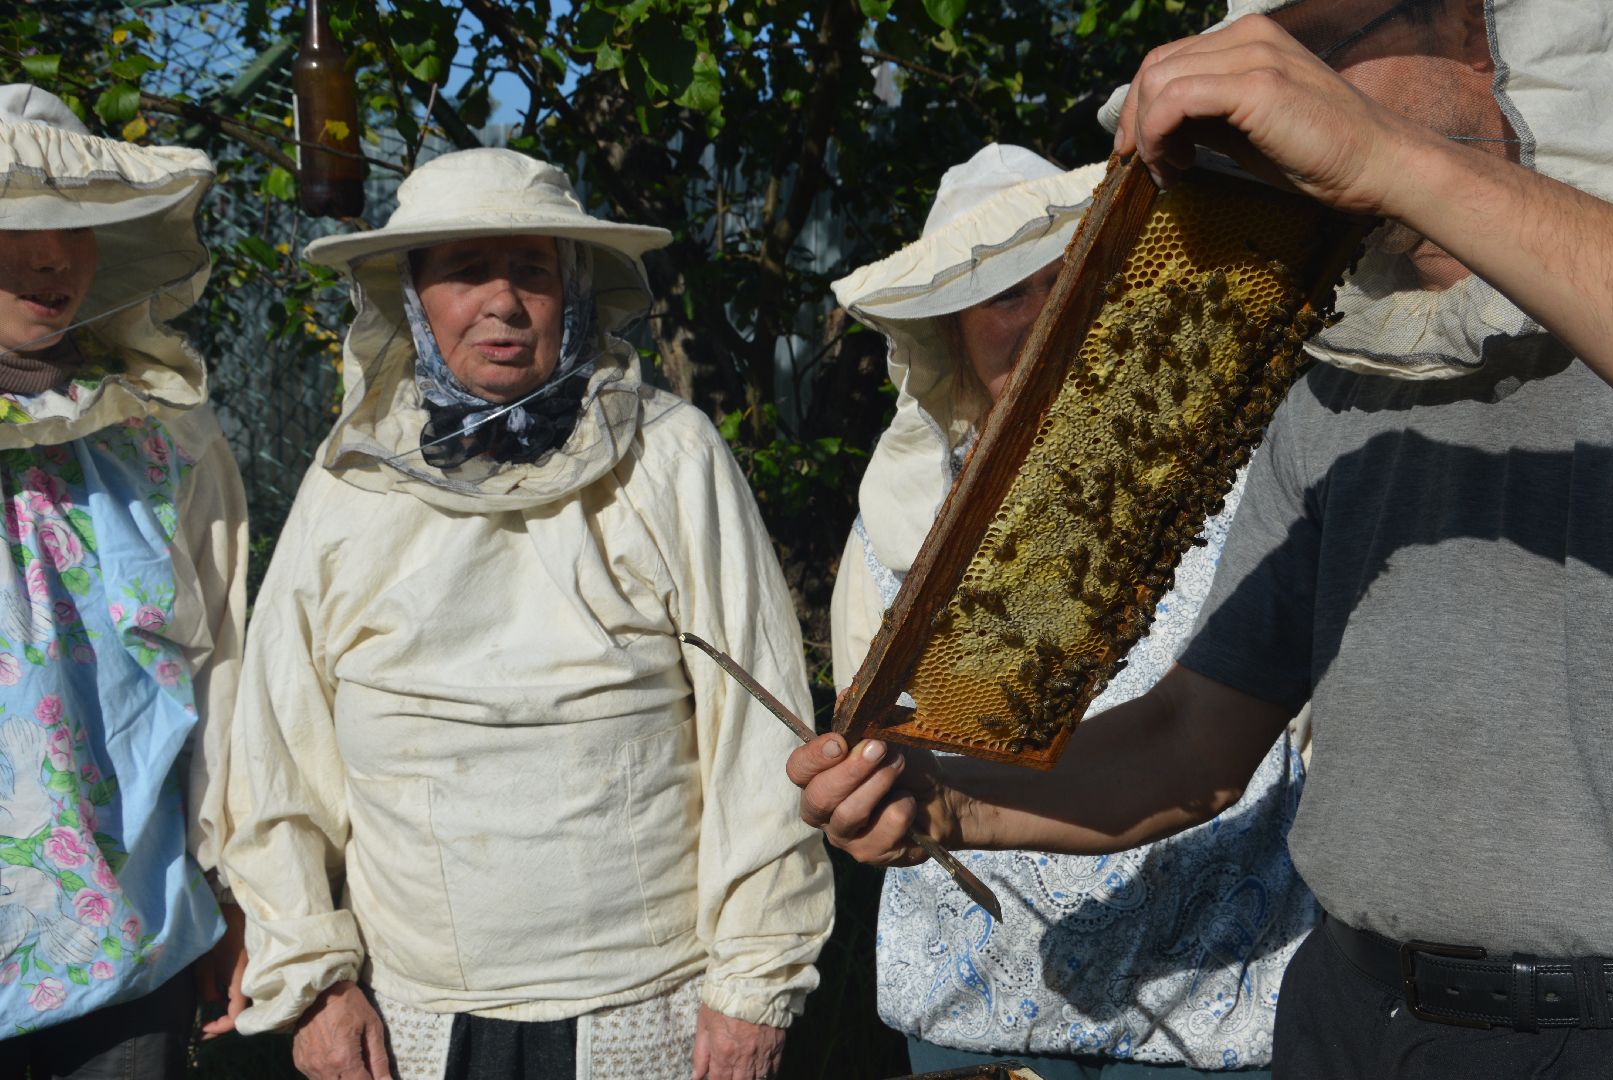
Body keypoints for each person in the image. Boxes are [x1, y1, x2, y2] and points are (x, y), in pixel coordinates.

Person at [789, 3, 1613, 1077]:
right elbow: (1192, 742)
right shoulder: (1334, 387)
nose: (1295, 86)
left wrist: (1379, 154)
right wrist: (943, 797)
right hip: (1353, 1019)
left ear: (1479, 39)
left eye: (1329, 42)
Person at [223, 147, 833, 1080]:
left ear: (574, 291)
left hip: (648, 1005)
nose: (503, 302)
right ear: (413, 297)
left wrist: (755, 981)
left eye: (532, 272)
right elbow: (277, 750)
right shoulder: (348, 482)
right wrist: (312, 979)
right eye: (467, 270)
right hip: (412, 1013)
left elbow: (760, 731)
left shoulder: (670, 458)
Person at [828, 143, 1315, 1076]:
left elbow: (1295, 734)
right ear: (952, 329)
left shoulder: (1236, 474)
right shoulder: (892, 520)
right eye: (1006, 295)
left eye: (1064, 279)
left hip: (1212, 1011)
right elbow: (873, 753)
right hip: (973, 1020)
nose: (1043, 315)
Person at [0, 85, 249, 1075]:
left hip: (130, 950)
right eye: (18, 224)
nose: (53, 257)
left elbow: (225, 671)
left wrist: (234, 891)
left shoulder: (169, 437)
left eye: (76, 225)